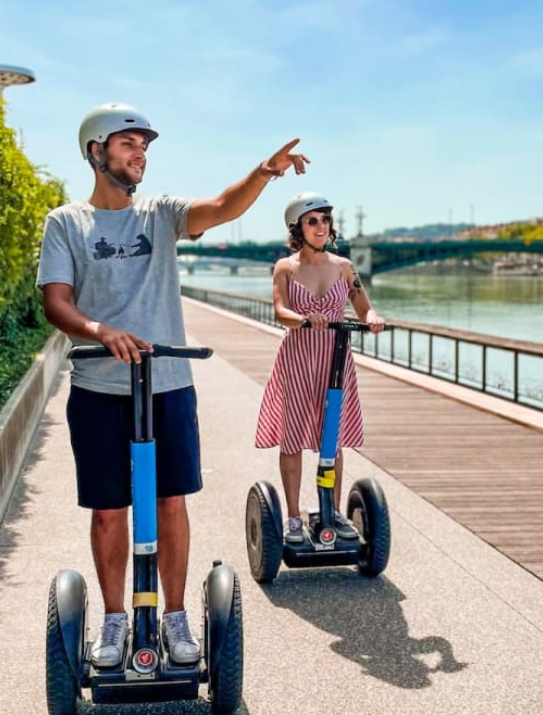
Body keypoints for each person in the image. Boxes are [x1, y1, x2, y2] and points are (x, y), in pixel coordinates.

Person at [37, 103, 309, 668]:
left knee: (169, 502)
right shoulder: (65, 222)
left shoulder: (160, 214)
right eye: (128, 144)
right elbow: (56, 302)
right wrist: (100, 331)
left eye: (144, 147)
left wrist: (264, 172)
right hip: (98, 388)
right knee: (110, 511)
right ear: (96, 152)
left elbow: (220, 207)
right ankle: (114, 620)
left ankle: (176, 615)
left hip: (168, 385)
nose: (140, 154)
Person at [254, 192, 386, 544]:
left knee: (333, 439)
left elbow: (363, 306)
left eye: (325, 220)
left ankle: (333, 510)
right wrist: (302, 318)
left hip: (335, 356)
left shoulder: (344, 267)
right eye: (313, 220)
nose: (321, 226)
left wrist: (373, 318)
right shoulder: (286, 267)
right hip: (298, 356)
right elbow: (280, 310)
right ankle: (293, 517)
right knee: (293, 437)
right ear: (297, 226)